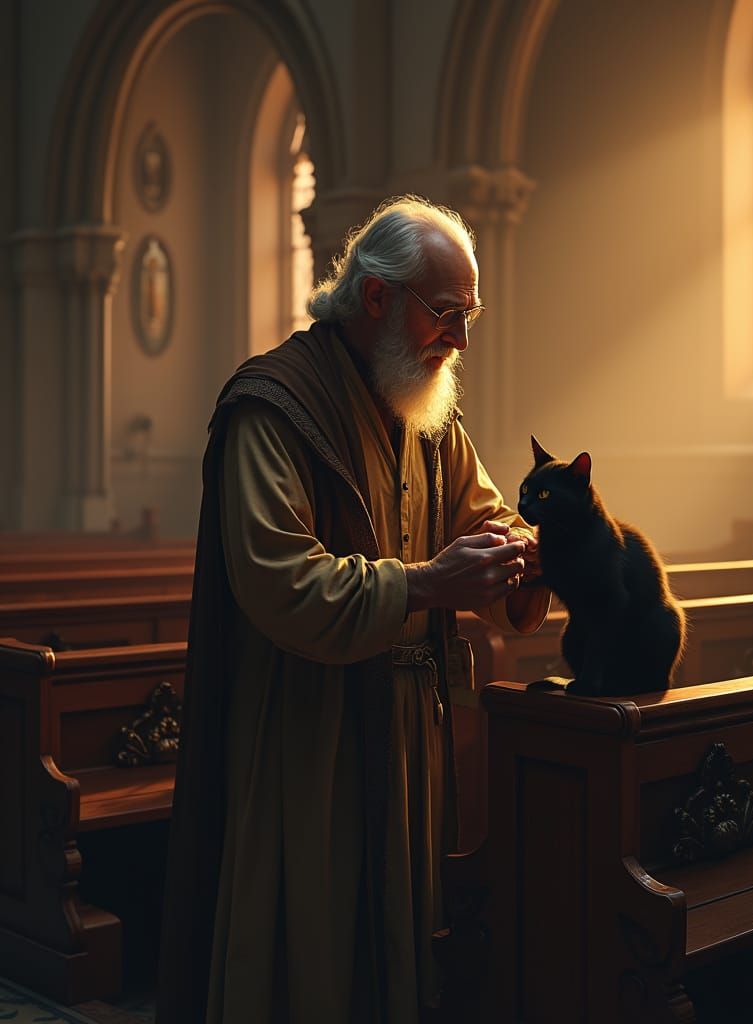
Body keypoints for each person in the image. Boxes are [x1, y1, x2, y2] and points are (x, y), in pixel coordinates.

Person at [157, 195, 550, 1023]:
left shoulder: (428, 417)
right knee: (313, 951)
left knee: (401, 948)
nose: (461, 339)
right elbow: (284, 583)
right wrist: (427, 585)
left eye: (469, 315)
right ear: (376, 297)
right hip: (309, 734)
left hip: (410, 734)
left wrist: (530, 552)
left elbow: (488, 520)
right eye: (445, 313)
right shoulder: (273, 407)